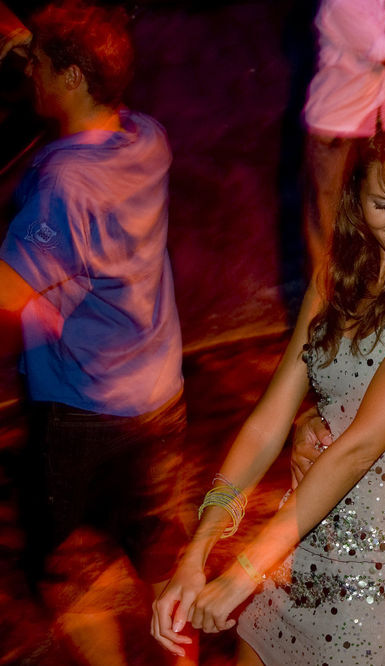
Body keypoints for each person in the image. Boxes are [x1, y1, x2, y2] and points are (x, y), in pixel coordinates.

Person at [151, 104, 385, 665]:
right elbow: (267, 423)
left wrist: (242, 571)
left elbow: (362, 443)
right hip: (294, 550)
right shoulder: (335, 277)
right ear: (357, 198)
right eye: (383, 204)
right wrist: (198, 550)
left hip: (377, 580)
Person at [0, 4, 187, 664]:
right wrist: (28, 39)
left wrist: (35, 305)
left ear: (73, 77)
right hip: (160, 397)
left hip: (84, 410)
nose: (31, 76)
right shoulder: (148, 138)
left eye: (40, 66)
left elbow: (11, 290)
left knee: (66, 571)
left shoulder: (62, 185)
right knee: (158, 551)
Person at [302, 0, 385, 277]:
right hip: (336, 129)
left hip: (372, 126)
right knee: (328, 229)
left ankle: (373, 291)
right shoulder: (341, 5)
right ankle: (324, 298)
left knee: (377, 215)